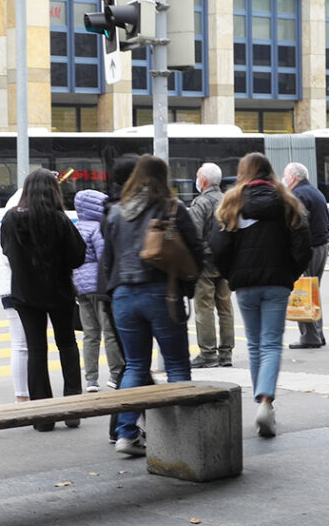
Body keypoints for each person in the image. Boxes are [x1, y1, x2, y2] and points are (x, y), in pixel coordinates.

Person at [101, 154, 204, 456]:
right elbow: (197, 251)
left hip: (123, 296)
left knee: (135, 365)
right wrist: (187, 287)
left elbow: (108, 261)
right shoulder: (171, 208)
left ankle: (126, 434)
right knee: (175, 364)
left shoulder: (115, 212)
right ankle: (183, 437)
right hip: (161, 293)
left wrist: (115, 292)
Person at [210, 152, 311, 439]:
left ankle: (261, 402)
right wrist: (289, 273)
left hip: (245, 286)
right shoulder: (288, 202)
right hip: (277, 283)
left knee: (254, 345)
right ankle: (266, 402)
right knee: (270, 345)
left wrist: (233, 275)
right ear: (270, 173)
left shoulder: (232, 203)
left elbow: (217, 247)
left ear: (244, 173)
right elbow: (303, 246)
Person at [1, 168, 86, 431]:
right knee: (67, 344)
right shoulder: (60, 220)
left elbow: (6, 251)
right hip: (59, 293)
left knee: (36, 350)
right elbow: (78, 256)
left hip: (25, 295)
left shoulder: (11, 219)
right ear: (53, 191)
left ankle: (42, 416)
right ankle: (72, 408)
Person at [73, 188, 124, 392]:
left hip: (80, 286)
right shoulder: (97, 228)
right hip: (98, 285)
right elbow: (104, 256)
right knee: (109, 331)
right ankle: (115, 374)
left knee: (90, 334)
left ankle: (91, 379)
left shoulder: (76, 227)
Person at [188, 162, 235, 368]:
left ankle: (208, 354)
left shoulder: (201, 203)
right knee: (225, 307)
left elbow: (193, 235)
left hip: (206, 264)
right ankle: (226, 354)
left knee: (204, 308)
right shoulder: (229, 201)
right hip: (226, 261)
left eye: (198, 176)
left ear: (203, 180)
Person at [283, 161, 329, 349]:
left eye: (285, 175)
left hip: (308, 249)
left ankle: (310, 336)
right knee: (313, 291)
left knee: (304, 292)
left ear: (293, 177)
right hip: (321, 247)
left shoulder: (298, 195)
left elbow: (296, 227)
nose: (283, 179)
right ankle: (318, 333)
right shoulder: (314, 192)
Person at [0, 187, 29, 403]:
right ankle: (23, 395)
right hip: (19, 288)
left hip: (9, 287)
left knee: (20, 344)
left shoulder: (6, 222)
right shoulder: (17, 222)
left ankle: (23, 395)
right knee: (23, 345)